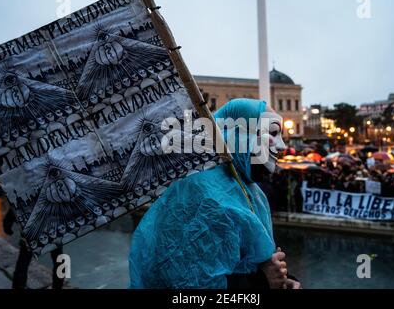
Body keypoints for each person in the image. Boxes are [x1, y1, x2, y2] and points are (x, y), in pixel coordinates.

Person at [129, 99, 301, 289]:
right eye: (273, 133)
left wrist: (284, 281)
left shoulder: (249, 189)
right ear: (239, 135)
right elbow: (191, 286)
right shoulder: (204, 196)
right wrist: (262, 280)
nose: (282, 145)